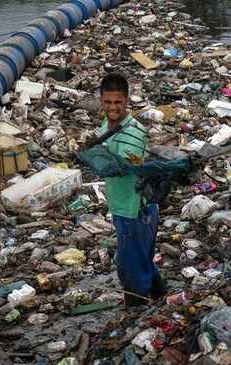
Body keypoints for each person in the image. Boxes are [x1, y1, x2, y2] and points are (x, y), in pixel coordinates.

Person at [99, 73, 166, 307]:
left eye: (118, 102)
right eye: (108, 102)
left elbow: (126, 167)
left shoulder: (133, 132)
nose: (112, 107)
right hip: (124, 206)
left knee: (130, 268)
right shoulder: (107, 126)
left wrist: (95, 160)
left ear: (127, 101)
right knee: (143, 262)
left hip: (135, 211)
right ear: (100, 101)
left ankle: (135, 315)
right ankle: (164, 302)